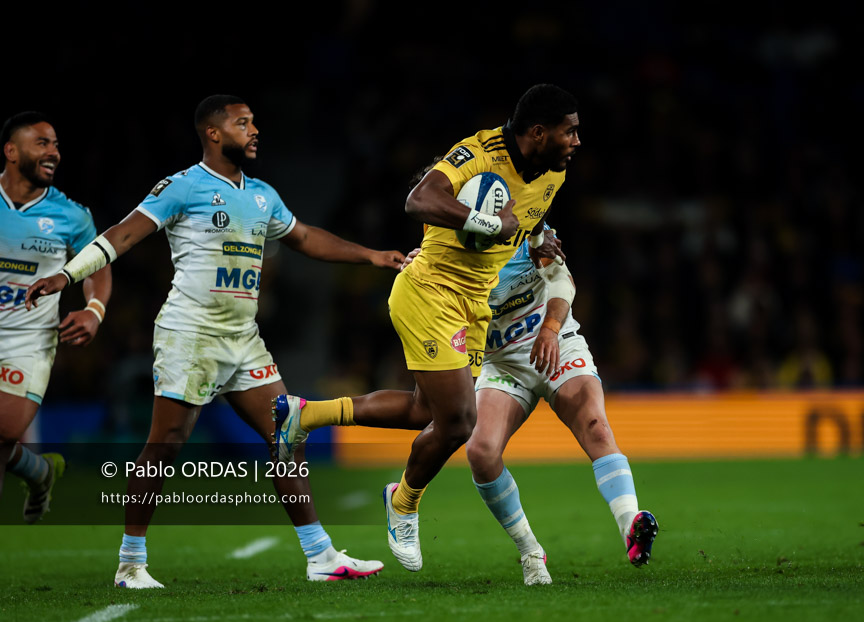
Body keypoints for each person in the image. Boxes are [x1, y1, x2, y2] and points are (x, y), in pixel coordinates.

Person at [26, 95, 405, 588]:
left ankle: (321, 555)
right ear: (213, 132)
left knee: (287, 435)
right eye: (242, 123)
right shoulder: (181, 187)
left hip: (242, 338)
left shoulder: (263, 195)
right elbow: (122, 235)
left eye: (254, 123)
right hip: (191, 333)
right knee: (165, 443)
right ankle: (131, 563)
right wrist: (68, 276)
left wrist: (371, 256)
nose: (254, 131)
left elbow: (306, 237)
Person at [272, 84, 579, 572]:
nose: (576, 141)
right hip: (429, 291)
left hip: (475, 305)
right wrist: (483, 219)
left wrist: (539, 239)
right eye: (569, 131)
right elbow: (419, 200)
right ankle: (404, 503)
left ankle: (303, 416)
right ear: (538, 133)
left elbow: (526, 219)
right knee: (459, 421)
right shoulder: (478, 152)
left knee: (425, 413)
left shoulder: (552, 175)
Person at [408, 225, 658, 585]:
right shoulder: (440, 261)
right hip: (502, 361)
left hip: (555, 340)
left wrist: (551, 329)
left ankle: (630, 527)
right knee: (480, 451)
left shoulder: (527, 229)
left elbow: (561, 280)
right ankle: (530, 551)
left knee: (597, 427)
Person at [1, 111, 111, 522]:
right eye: (42, 144)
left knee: (5, 430)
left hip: (28, 340)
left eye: (56, 144)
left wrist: (94, 310)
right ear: (11, 152)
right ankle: (40, 471)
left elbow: (97, 265)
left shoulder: (71, 216)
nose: (53, 153)